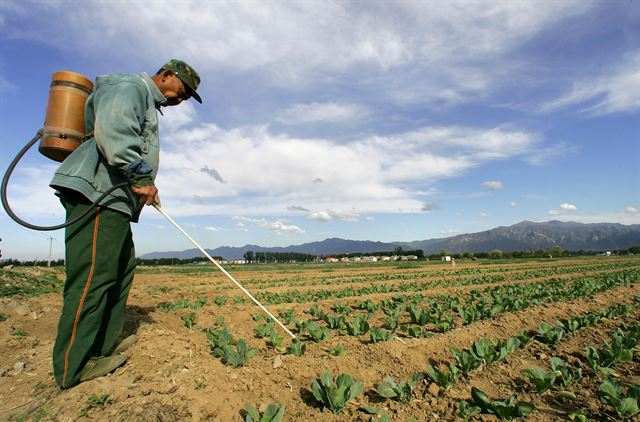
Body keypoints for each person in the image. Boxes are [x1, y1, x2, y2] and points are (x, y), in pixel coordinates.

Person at [49, 59, 202, 389]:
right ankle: (72, 367)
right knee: (93, 277)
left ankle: (103, 346)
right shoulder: (129, 87)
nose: (183, 99)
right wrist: (141, 176)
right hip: (97, 195)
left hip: (113, 198)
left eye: (188, 96)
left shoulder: (145, 99)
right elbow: (115, 131)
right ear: (166, 75)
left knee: (120, 269)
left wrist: (144, 187)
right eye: (184, 90)